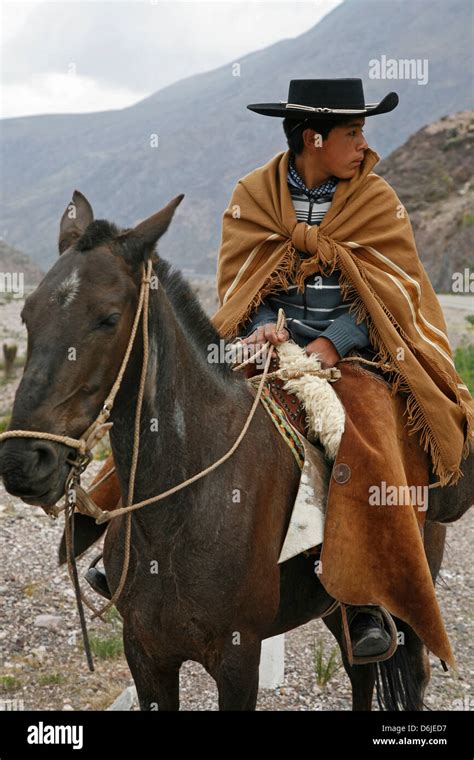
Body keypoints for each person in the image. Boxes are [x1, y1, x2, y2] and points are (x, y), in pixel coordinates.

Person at [210, 79, 473, 661]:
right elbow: (242, 281)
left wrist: (334, 342)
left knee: (367, 434)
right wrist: (260, 327)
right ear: (314, 137)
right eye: (353, 133)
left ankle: (364, 598)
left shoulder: (375, 200)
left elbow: (392, 294)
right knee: (190, 403)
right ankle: (118, 532)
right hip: (270, 348)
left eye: (362, 132)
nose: (363, 145)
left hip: (354, 353)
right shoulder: (253, 196)